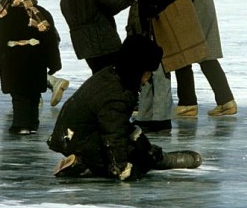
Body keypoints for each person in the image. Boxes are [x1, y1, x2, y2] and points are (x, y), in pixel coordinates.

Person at [47, 35, 202, 180]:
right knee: (137, 164)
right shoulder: (117, 94)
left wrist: (142, 143)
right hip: (78, 140)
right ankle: (81, 166)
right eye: (147, 73)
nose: (147, 80)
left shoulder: (111, 75)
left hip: (74, 135)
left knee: (136, 144)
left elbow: (117, 125)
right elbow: (113, 135)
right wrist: (122, 167)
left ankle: (155, 157)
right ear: (137, 69)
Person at [121, 0, 209, 132]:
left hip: (168, 22)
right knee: (146, 72)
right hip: (146, 24)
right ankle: (145, 116)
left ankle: (160, 119)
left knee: (161, 72)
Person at [0, 0, 63, 135]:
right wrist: (54, 63)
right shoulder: (41, 13)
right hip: (36, 62)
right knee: (33, 95)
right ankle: (32, 124)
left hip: (12, 62)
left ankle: (20, 125)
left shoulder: (3, 15)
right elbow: (51, 41)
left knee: (18, 96)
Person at [0, 4, 69, 108]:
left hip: (34, 47)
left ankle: (51, 84)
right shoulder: (22, 12)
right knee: (29, 68)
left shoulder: (5, 17)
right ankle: (40, 93)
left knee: (23, 70)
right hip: (42, 44)